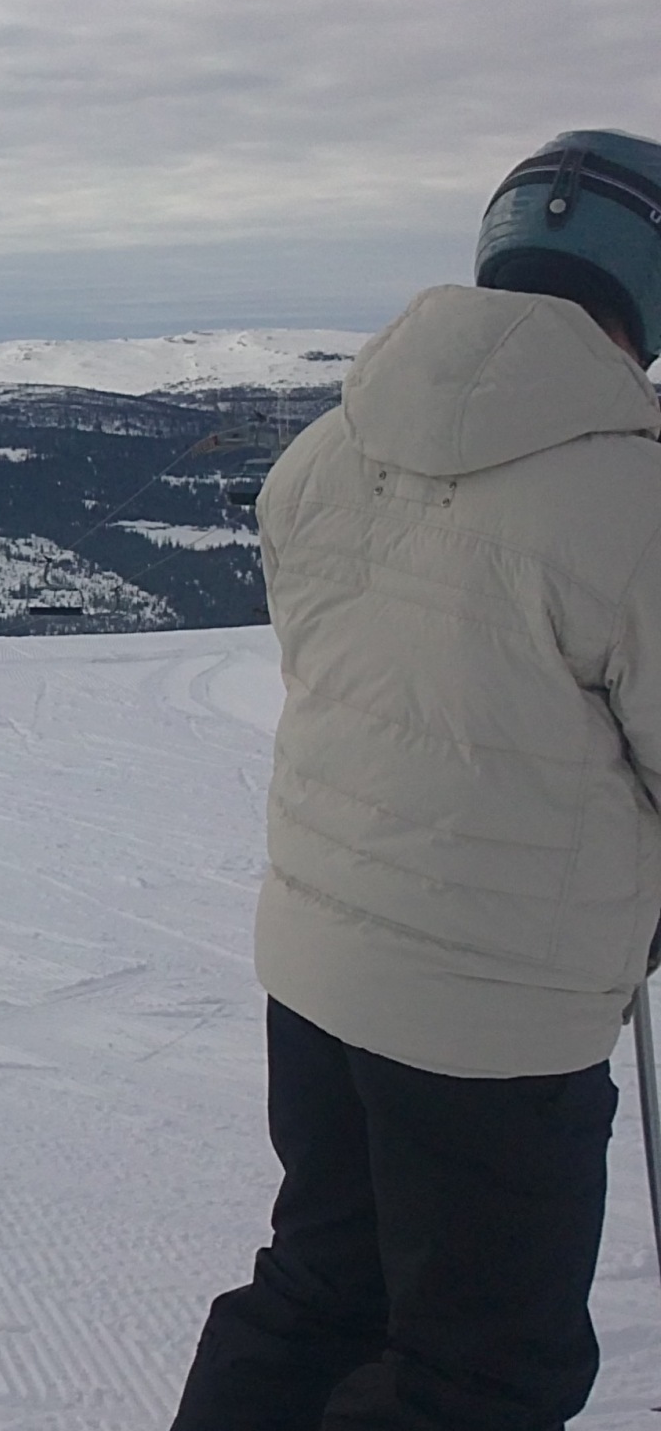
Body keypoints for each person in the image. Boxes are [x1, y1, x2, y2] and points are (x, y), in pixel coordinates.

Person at [172, 128, 661, 1430]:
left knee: (319, 1291)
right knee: (484, 1372)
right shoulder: (633, 496)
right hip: (496, 1014)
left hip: (319, 967)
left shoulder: (325, 457)